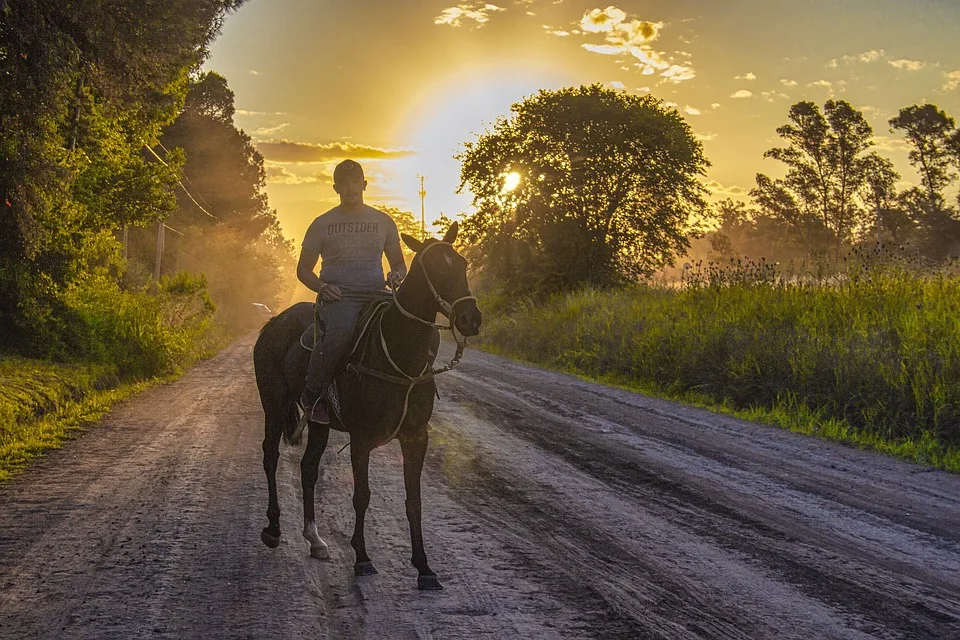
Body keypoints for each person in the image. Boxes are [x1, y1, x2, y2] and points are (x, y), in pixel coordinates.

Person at [296, 159, 407, 426]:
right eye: (344, 183)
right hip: (340, 298)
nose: (350, 188)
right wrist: (322, 287)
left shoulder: (383, 221)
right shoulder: (322, 224)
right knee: (341, 332)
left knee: (406, 327)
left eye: (356, 181)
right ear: (335, 188)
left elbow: (399, 264)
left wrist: (397, 275)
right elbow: (303, 270)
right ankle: (311, 395)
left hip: (376, 295)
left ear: (365, 184)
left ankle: (409, 392)